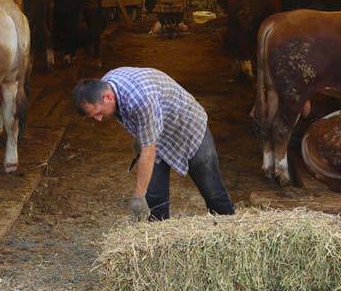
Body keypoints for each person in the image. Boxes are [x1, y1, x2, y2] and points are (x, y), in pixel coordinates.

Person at [72, 67, 234, 221]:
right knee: (154, 197)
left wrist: (138, 196)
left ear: (108, 97)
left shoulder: (140, 100)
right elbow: (146, 137)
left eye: (99, 113)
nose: (99, 119)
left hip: (187, 128)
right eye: (94, 116)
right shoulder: (105, 85)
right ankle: (159, 242)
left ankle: (229, 231)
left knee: (212, 190)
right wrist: (140, 136)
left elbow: (149, 152)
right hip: (157, 130)